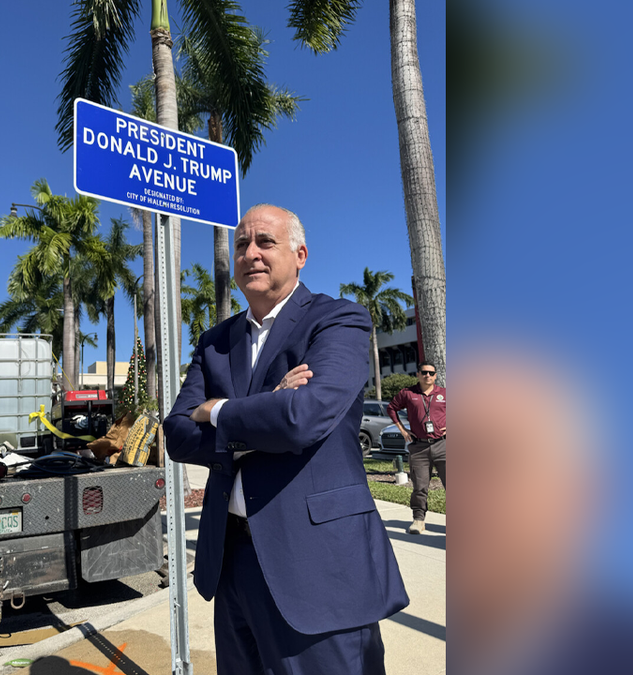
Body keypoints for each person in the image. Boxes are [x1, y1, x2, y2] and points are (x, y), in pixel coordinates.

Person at [164, 204, 409, 675]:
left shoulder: (338, 321)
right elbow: (176, 434)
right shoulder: (215, 342)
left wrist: (216, 411)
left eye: (265, 242)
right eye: (241, 245)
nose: (250, 253)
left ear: (300, 255)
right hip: (231, 561)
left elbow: (302, 417)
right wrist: (265, 411)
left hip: (318, 565)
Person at [387, 361, 446, 534]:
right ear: (418, 374)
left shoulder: (444, 393)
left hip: (443, 445)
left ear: (435, 376)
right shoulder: (408, 393)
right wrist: (402, 430)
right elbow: (391, 408)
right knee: (420, 487)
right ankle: (418, 520)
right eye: (424, 372)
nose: (428, 375)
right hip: (419, 447)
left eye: (431, 373)